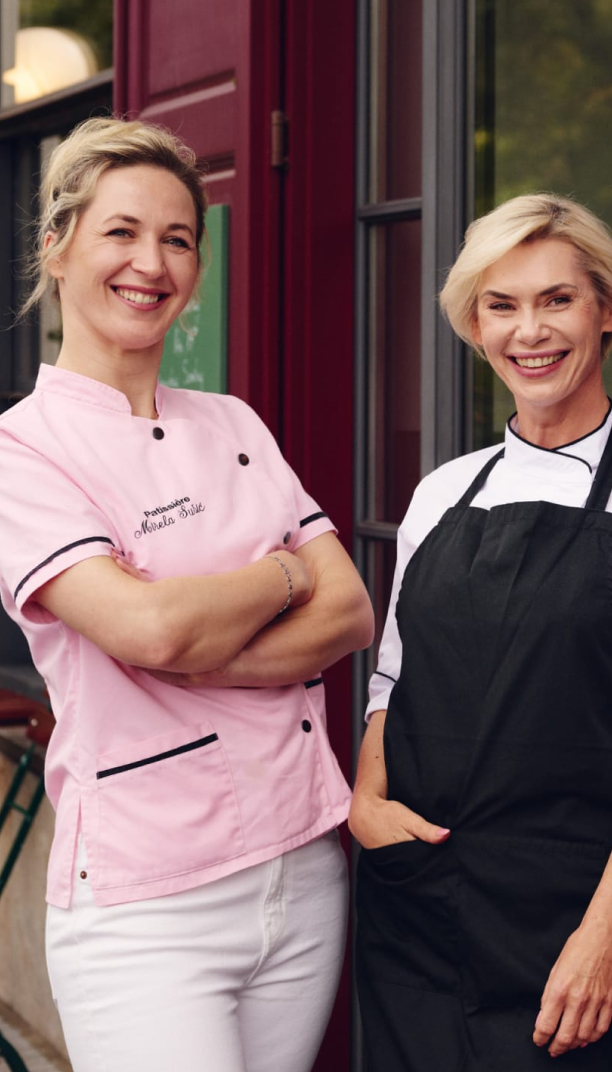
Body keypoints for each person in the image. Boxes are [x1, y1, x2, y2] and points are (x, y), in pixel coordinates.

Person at [0, 117, 374, 1072]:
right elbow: (149, 627)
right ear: (59, 243)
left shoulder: (233, 420)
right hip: (148, 900)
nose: (151, 262)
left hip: (304, 866)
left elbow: (349, 610)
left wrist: (210, 628)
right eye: (121, 231)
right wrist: (282, 576)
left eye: (178, 238)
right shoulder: (23, 450)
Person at [350, 193, 612, 1071]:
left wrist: (606, 932)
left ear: (609, 309)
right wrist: (365, 802)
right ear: (476, 326)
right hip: (415, 904)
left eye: (557, 299)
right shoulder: (443, 491)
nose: (529, 331)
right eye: (501, 305)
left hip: (564, 921)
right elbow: (392, 679)